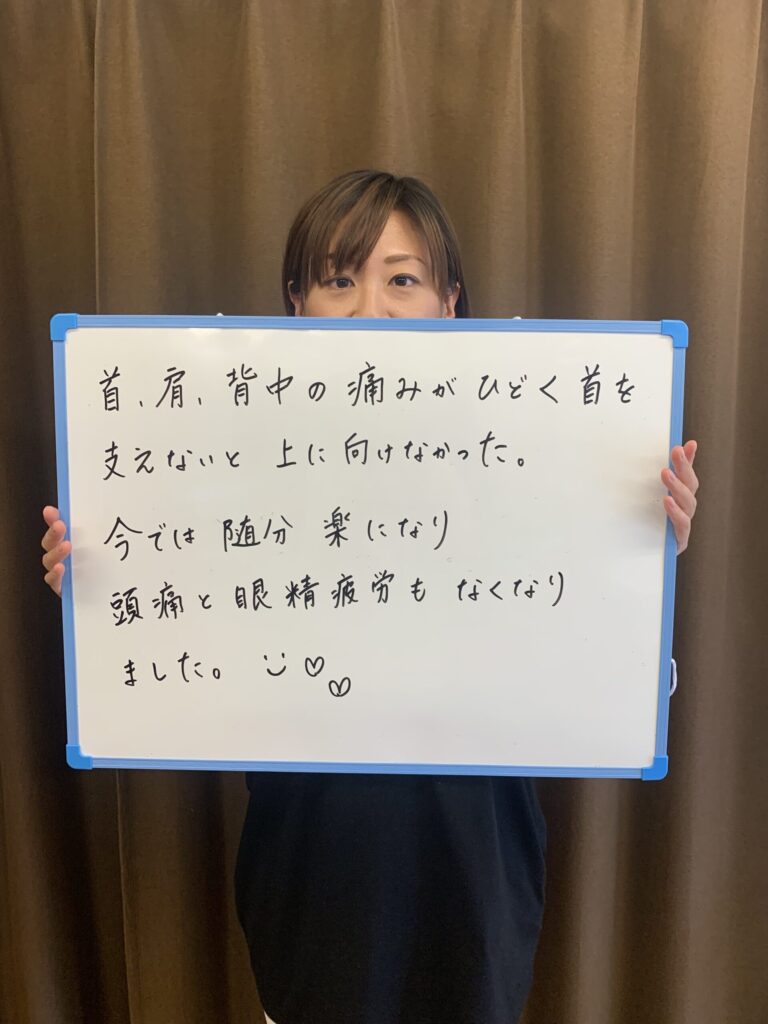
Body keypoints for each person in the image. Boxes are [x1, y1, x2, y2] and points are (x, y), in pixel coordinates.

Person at [41, 170, 700, 1024]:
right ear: (296, 303)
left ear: (449, 303)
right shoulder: (229, 463)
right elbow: (183, 641)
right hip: (314, 863)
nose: (369, 310)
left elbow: (593, 667)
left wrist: (643, 560)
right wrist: (96, 587)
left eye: (403, 280)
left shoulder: (536, 455)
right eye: (338, 280)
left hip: (474, 863)